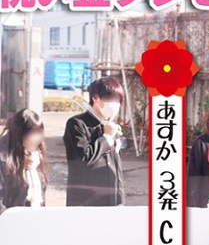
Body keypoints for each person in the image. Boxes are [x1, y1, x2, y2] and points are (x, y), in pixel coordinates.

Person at [63, 76, 125, 206]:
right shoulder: (77, 124)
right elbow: (84, 158)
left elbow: (116, 170)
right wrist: (106, 137)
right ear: (95, 98)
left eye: (118, 100)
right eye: (110, 99)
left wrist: (120, 201)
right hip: (86, 201)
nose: (115, 104)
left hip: (112, 200)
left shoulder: (111, 126)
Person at [0, 109, 48, 215]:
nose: (38, 138)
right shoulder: (3, 160)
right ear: (20, 134)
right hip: (10, 220)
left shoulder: (35, 157)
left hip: (33, 218)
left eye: (39, 132)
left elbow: (41, 197)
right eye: (33, 133)